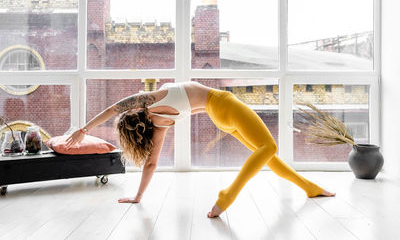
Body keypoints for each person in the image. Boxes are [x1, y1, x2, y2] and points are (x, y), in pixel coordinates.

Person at [66, 81, 335, 218]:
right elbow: (115, 107)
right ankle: (227, 195)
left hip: (218, 117)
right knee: (269, 147)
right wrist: (84, 129)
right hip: (223, 104)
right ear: (133, 113)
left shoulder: (160, 124)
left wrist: (138, 196)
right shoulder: (152, 99)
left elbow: (151, 163)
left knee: (267, 154)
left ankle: (310, 187)